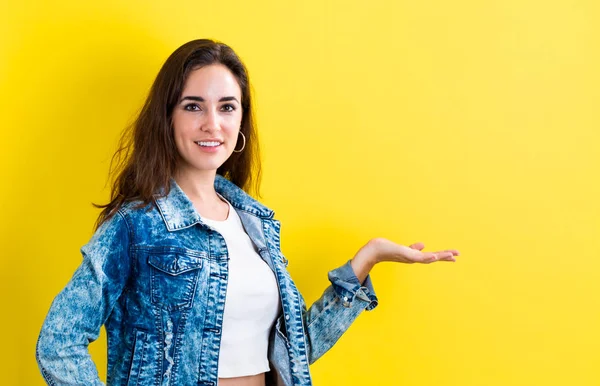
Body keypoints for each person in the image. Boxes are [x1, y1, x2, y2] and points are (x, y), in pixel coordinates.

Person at [36, 39, 459, 386]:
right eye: (192, 106)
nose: (212, 124)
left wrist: (365, 261)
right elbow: (59, 341)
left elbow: (294, 351)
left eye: (227, 107)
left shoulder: (255, 226)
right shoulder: (136, 225)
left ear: (241, 121)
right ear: (166, 119)